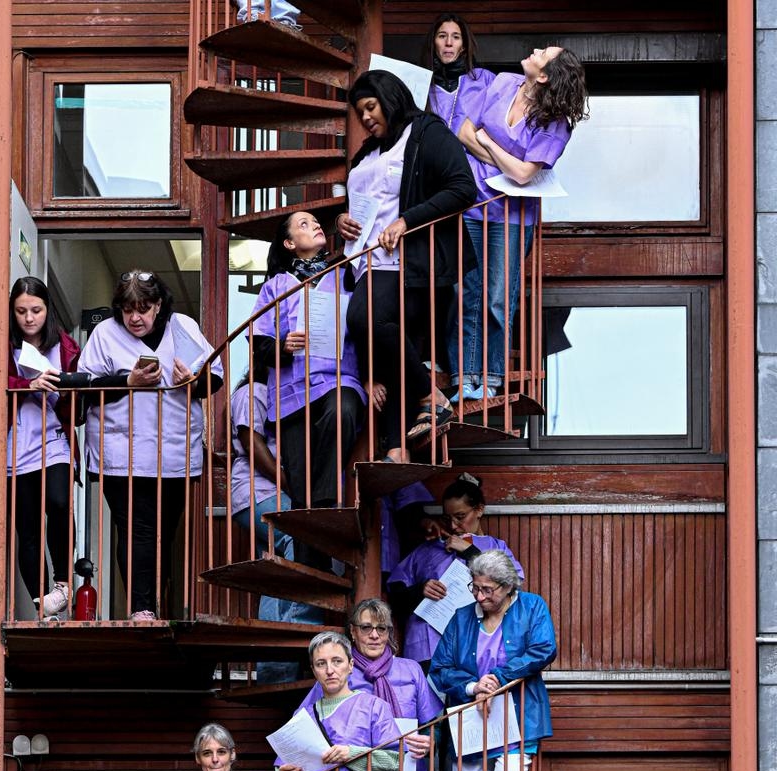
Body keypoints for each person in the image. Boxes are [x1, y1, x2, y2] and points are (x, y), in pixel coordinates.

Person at [335, 70, 476, 453]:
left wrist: (406, 221)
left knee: (364, 320)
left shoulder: (426, 132)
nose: (365, 118)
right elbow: (366, 206)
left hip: (405, 263)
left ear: (390, 98)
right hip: (365, 262)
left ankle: (432, 398)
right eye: (359, 112)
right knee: (389, 359)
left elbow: (463, 188)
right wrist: (342, 222)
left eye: (370, 107)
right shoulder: (367, 152)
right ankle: (397, 450)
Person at [77, 271, 223, 621]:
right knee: (135, 530)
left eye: (143, 308)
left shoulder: (182, 326)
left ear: (159, 305)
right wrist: (128, 381)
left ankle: (158, 600)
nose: (135, 318)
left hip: (173, 453)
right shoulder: (105, 334)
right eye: (128, 309)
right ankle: (141, 607)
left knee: (165, 533)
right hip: (121, 455)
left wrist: (194, 380)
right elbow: (85, 385)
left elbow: (211, 378)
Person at [449, 46, 588, 400]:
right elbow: (463, 131)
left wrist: (486, 142)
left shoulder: (555, 124)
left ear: (544, 75)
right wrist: (504, 161)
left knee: (498, 297)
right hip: (472, 204)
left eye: (543, 53)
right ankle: (464, 377)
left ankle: (491, 377)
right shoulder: (501, 83)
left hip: (512, 216)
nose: (534, 51)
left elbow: (525, 175)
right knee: (467, 292)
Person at [250, 211, 366, 509]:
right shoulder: (275, 286)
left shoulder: (347, 275)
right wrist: (284, 346)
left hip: (338, 379)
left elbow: (367, 327)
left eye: (317, 222)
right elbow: (258, 342)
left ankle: (326, 498)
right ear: (289, 244)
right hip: (291, 395)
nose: (315, 225)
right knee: (301, 500)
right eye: (304, 224)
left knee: (344, 408)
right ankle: (312, 526)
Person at [429, 551, 557, 771]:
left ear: (508, 585)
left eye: (487, 589)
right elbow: (439, 668)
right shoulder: (461, 617)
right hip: (470, 717)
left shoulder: (532, 606)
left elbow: (544, 649)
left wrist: (498, 678)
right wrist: (474, 687)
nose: (479, 596)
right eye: (475, 587)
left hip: (517, 715)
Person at [229, 364, 324, 682]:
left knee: (276, 572)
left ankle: (274, 666)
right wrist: (289, 482)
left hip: (267, 494)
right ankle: (304, 633)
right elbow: (250, 442)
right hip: (258, 493)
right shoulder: (253, 391)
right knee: (304, 537)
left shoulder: (284, 395)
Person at [0, 277, 81, 620]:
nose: (29, 318)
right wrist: (25, 384)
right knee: (27, 528)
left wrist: (64, 388)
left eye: (36, 310)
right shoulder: (0, 344)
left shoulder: (64, 346)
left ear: (48, 310)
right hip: (14, 445)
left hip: (54, 439)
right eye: (21, 311)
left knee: (60, 503)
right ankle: (41, 605)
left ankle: (62, 584)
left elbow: (80, 403)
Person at [387, 473, 523, 667]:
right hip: (427, 647)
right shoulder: (429, 548)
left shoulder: (495, 547)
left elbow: (513, 583)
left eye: (460, 517)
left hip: (477, 646)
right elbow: (395, 591)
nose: (453, 525)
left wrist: (470, 551)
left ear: (479, 510)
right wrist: (419, 590)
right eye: (447, 518)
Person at [273, 631, 426, 771]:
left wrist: (351, 754)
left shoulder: (374, 707)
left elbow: (393, 763)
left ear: (351, 665)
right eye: (321, 664)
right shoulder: (302, 716)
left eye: (337, 661)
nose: (330, 670)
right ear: (314, 671)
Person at [342, 599, 442, 771]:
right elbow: (315, 721)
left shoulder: (411, 669)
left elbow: (433, 724)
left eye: (382, 628)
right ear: (353, 632)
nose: (374, 635)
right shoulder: (340, 672)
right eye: (366, 627)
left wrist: (430, 742)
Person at [423, 13, 495, 137]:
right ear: (433, 44)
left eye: (456, 37)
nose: (449, 42)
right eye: (442, 36)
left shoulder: (485, 79)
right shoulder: (421, 84)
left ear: (463, 46)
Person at [188, 723, 268, 771]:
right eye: (207, 753)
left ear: (232, 754)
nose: (215, 759)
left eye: (221, 752)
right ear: (197, 758)